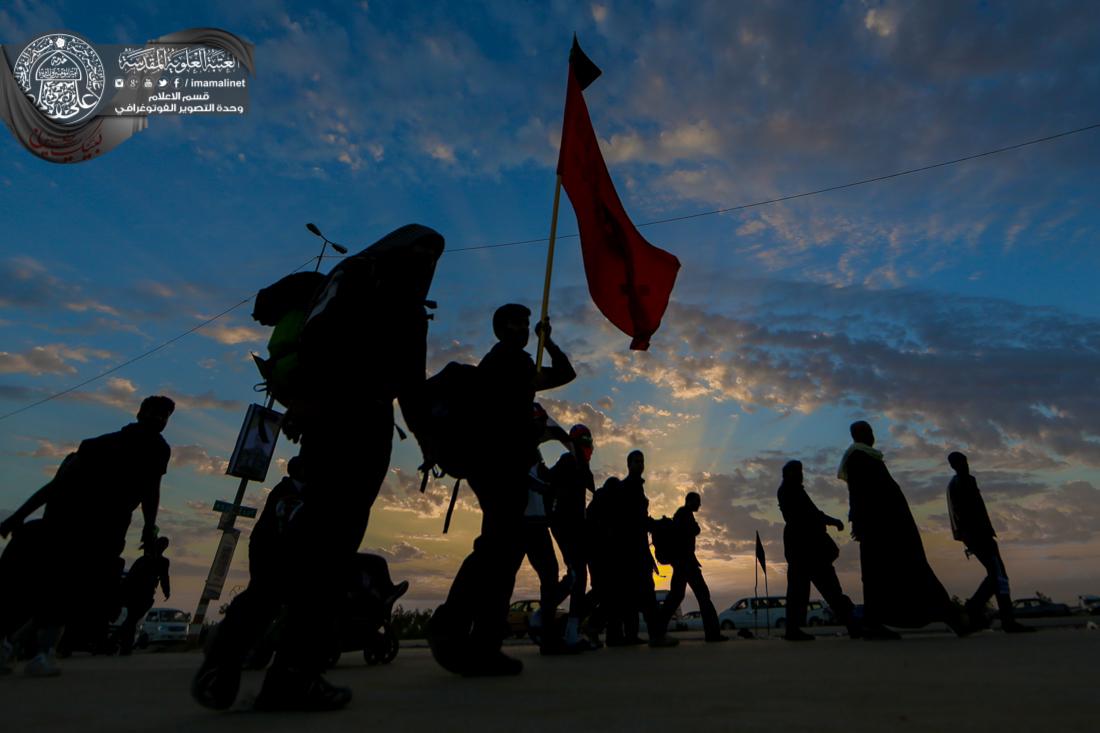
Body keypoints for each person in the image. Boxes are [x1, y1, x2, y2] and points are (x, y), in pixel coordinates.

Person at [428, 304, 575, 676]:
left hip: (494, 469)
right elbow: (565, 373)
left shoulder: (497, 363)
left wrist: (547, 340)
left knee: (498, 553)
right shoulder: (512, 363)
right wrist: (549, 342)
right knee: (498, 554)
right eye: (517, 323)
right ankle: (460, 629)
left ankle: (472, 636)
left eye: (527, 324)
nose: (524, 328)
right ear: (500, 329)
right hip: (501, 469)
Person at [0, 395, 174, 677]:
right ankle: (35, 650)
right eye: (155, 412)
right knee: (53, 588)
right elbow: (58, 486)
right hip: (73, 527)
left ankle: (33, 649)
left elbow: (150, 490)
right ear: (141, 413)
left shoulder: (155, 449)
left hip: (103, 532)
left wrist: (149, 526)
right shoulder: (101, 445)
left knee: (65, 591)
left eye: (164, 415)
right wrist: (18, 515)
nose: (158, 419)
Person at [838, 421, 968, 639]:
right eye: (867, 431)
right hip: (881, 527)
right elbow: (858, 493)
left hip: (890, 525)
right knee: (898, 571)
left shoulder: (867, 456)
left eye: (871, 431)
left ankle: (877, 621)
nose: (872, 435)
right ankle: (950, 617)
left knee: (887, 573)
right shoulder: (858, 457)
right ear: (857, 435)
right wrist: (859, 522)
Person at [946, 452, 1034, 633]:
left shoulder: (959, 483)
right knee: (998, 576)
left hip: (977, 536)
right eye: (961, 462)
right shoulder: (962, 482)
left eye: (965, 461)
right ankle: (980, 611)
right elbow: (969, 512)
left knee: (997, 576)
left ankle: (987, 614)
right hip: (979, 536)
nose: (965, 465)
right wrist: (977, 535)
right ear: (955, 465)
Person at [777, 460, 856, 641]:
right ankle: (852, 625)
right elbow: (810, 514)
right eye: (798, 472)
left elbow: (812, 513)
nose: (801, 475)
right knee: (825, 588)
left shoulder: (791, 490)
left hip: (802, 548)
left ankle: (794, 629)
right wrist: (832, 521)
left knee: (804, 591)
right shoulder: (791, 491)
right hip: (806, 548)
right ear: (790, 474)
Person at [608, 450, 676, 647]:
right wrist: (654, 525)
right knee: (646, 593)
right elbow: (634, 520)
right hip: (632, 550)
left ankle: (629, 635)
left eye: (642, 461)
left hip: (630, 548)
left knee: (629, 595)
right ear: (628, 464)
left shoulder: (634, 487)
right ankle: (656, 635)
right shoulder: (630, 487)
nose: (640, 464)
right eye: (636, 461)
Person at [548, 424, 597, 651]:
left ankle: (567, 629)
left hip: (575, 528)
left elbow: (590, 486)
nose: (588, 443)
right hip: (565, 525)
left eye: (589, 439)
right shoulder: (567, 461)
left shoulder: (581, 465)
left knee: (577, 575)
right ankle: (547, 618)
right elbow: (548, 482)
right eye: (583, 439)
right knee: (577, 574)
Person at [658, 492, 726, 642]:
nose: (699, 505)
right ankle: (713, 634)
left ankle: (658, 630)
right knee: (702, 595)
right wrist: (695, 527)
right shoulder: (684, 514)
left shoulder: (681, 514)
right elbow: (694, 530)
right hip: (686, 563)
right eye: (697, 501)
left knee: (676, 596)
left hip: (682, 563)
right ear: (690, 501)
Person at [114, 536, 172, 655]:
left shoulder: (154, 561)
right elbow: (131, 577)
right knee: (132, 620)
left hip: (143, 594)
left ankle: (118, 643)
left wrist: (166, 591)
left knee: (131, 620)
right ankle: (122, 645)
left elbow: (164, 578)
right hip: (138, 594)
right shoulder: (147, 560)